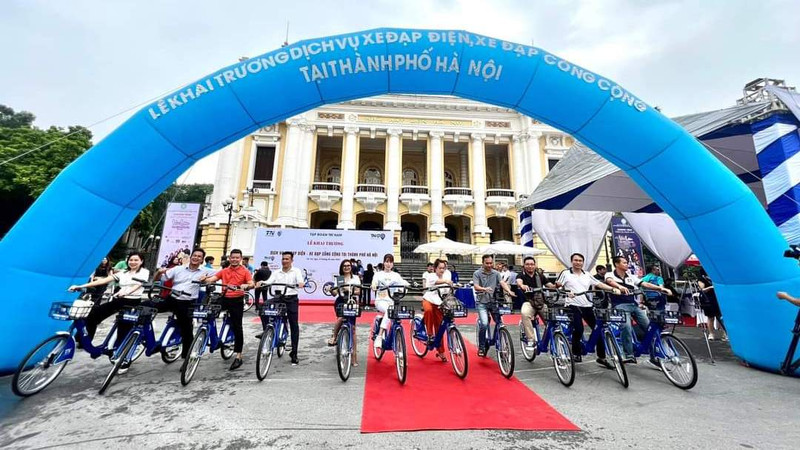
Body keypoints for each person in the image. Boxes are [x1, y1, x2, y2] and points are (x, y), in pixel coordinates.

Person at [69, 252, 150, 372]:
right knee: (93, 315)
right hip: (120, 300)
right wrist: (81, 286)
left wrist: (126, 292)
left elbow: (138, 285)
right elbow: (104, 281)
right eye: (131, 260)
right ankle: (87, 343)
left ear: (141, 261)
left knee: (123, 330)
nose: (132, 262)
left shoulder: (144, 272)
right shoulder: (123, 273)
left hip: (132, 302)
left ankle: (124, 360)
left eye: (136, 260)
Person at [555, 253, 620, 368]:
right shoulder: (565, 273)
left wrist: (612, 288)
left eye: (580, 260)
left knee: (597, 330)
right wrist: (566, 292)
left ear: (583, 262)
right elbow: (558, 285)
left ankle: (602, 357)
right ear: (571, 261)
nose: (578, 262)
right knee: (578, 329)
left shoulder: (587, 274)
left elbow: (599, 284)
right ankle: (576, 353)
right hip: (572, 305)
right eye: (575, 260)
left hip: (587, 305)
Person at [604, 256, 672, 364]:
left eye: (627, 262)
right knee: (626, 327)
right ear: (617, 264)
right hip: (620, 305)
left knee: (649, 327)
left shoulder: (631, 276)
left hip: (633, 305)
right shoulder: (610, 274)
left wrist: (660, 288)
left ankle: (653, 355)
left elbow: (644, 284)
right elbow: (610, 281)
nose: (627, 264)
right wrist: (619, 287)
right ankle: (629, 354)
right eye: (624, 262)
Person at [152, 248, 212, 359]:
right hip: (172, 298)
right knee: (147, 307)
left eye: (199, 256)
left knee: (186, 329)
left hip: (187, 302)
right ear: (190, 257)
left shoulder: (205, 271)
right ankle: (146, 340)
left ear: (202, 260)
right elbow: (160, 278)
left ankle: (186, 356)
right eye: (194, 255)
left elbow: (222, 274)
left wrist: (207, 280)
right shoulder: (178, 269)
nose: (196, 258)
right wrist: (158, 273)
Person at [199, 249, 254, 370]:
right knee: (208, 313)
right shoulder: (224, 271)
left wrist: (247, 285)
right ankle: (213, 338)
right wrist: (204, 279)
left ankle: (238, 356)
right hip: (224, 298)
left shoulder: (245, 271)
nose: (234, 259)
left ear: (240, 258)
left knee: (237, 326)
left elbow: (251, 283)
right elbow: (212, 279)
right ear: (229, 258)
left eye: (237, 258)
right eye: (232, 257)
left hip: (237, 300)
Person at [259, 251, 305, 365]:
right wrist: (262, 283)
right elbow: (269, 282)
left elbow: (300, 281)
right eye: (283, 259)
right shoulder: (276, 272)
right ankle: (266, 330)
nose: (284, 261)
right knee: (262, 308)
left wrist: (300, 284)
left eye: (287, 259)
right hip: (278, 297)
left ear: (291, 260)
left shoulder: (296, 271)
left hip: (291, 299)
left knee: (294, 325)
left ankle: (294, 352)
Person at [327, 259, 361, 366]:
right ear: (342, 268)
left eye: (348, 265)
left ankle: (354, 357)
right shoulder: (340, 279)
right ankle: (334, 336)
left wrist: (348, 289)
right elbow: (335, 293)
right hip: (341, 301)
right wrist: (331, 290)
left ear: (351, 267)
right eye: (344, 266)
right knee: (341, 318)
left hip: (351, 301)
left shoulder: (355, 278)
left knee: (353, 329)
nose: (346, 267)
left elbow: (358, 291)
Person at [371, 254, 409, 348]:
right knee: (389, 310)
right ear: (383, 262)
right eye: (387, 261)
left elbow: (404, 283)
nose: (388, 264)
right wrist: (374, 285)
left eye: (391, 262)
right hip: (381, 301)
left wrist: (407, 285)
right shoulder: (378, 274)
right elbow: (374, 282)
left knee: (395, 315)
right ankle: (379, 336)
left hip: (392, 301)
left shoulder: (396, 275)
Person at [516, 257, 553, 350]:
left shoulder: (540, 275)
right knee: (525, 313)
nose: (530, 266)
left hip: (540, 302)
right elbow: (519, 282)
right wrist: (522, 285)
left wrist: (557, 285)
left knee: (551, 320)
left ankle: (551, 338)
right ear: (524, 266)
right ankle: (531, 339)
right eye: (527, 264)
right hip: (528, 302)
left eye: (532, 264)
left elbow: (550, 286)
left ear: (535, 265)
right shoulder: (521, 275)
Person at [422, 259, 453, 362]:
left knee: (440, 327)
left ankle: (441, 352)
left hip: (439, 303)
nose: (442, 270)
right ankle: (430, 334)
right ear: (435, 268)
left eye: (443, 268)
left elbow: (448, 290)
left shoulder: (447, 275)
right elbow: (435, 282)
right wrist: (446, 281)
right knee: (428, 311)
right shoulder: (431, 276)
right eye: (440, 268)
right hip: (429, 299)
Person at [473, 255, 502, 357]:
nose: (489, 265)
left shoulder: (496, 273)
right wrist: (484, 289)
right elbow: (476, 286)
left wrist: (509, 291)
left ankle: (499, 343)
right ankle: (481, 347)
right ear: (483, 263)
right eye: (487, 263)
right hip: (482, 302)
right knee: (484, 323)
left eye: (491, 263)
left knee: (499, 323)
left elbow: (502, 283)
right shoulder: (477, 273)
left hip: (493, 302)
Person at [697, 268, 728, 341]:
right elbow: (702, 289)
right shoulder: (701, 279)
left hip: (717, 298)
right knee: (711, 317)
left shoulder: (714, 278)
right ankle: (711, 334)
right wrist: (711, 287)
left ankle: (725, 333)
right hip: (707, 299)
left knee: (720, 317)